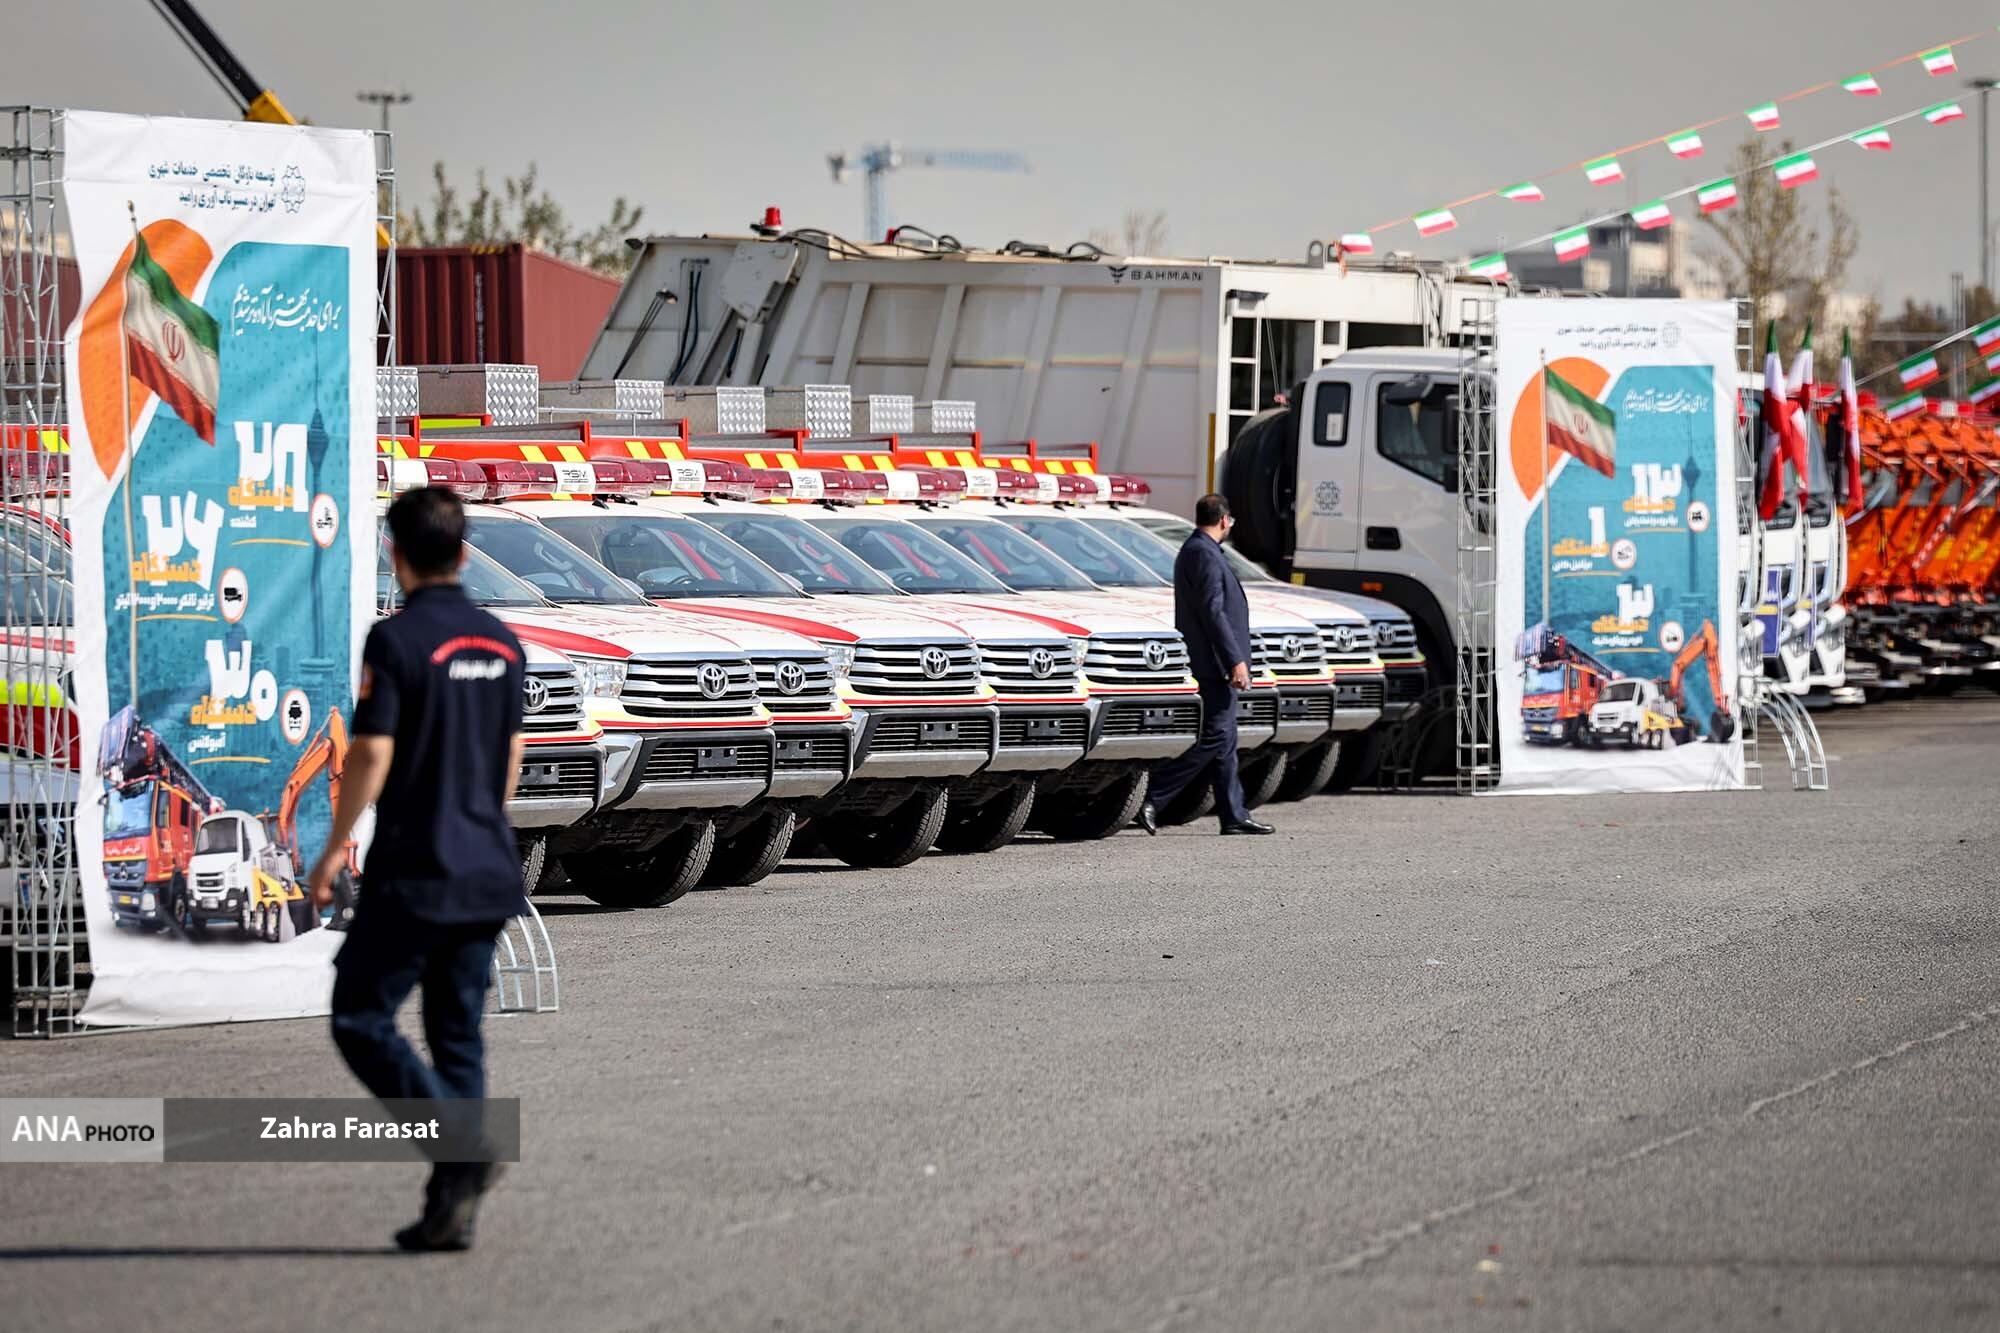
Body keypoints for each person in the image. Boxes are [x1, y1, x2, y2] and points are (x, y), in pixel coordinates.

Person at [307, 485, 528, 1253]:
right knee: (457, 1034)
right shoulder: (503, 641)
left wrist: (334, 845)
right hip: (486, 863)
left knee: (360, 1015)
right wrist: (480, 820)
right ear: (463, 553)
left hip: (418, 867)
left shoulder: (396, 640)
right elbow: (510, 755)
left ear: (394, 554)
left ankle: (461, 1152)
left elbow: (372, 750)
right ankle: (450, 1207)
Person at [1136, 493, 1274, 837]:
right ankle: (1153, 796)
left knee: (1225, 743)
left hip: (1214, 660)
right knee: (1217, 736)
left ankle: (1234, 814)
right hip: (1214, 661)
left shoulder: (1201, 550)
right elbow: (1213, 611)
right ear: (1224, 520)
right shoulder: (1202, 553)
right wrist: (1234, 660)